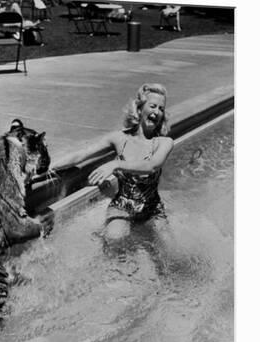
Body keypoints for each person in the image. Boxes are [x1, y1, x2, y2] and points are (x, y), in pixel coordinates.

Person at [52, 83, 174, 240]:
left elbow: (151, 166)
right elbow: (81, 155)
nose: (157, 112)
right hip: (122, 207)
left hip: (152, 209)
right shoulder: (118, 139)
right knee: (114, 239)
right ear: (139, 109)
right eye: (153, 106)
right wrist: (48, 167)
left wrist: (115, 164)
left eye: (161, 109)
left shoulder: (164, 142)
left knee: (168, 247)